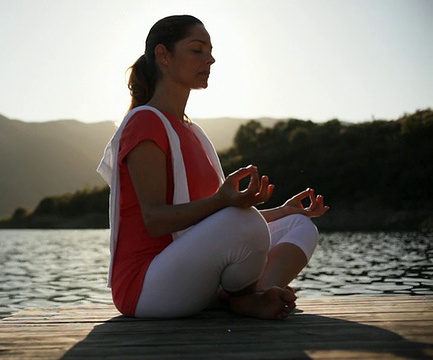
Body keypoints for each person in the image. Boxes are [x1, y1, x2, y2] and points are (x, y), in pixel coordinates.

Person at [97, 15, 329, 320]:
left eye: (210, 51)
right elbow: (155, 219)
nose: (211, 59)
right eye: (197, 50)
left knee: (299, 226)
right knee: (244, 223)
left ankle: (252, 298)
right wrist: (224, 201)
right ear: (163, 55)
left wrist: (284, 211)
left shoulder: (193, 132)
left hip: (185, 272)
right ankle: (243, 299)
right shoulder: (145, 122)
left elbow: (214, 220)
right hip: (145, 287)